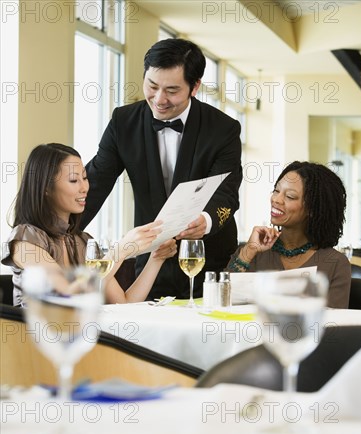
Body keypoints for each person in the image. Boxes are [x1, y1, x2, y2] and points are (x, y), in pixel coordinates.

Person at [82, 38, 243, 300]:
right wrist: (56, 234)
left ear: (195, 87)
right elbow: (95, 182)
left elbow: (227, 193)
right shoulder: (123, 122)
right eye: (152, 86)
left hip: (208, 263)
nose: (159, 99)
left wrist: (206, 221)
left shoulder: (223, 129)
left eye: (171, 90)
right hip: (151, 263)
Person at [1, 143, 176, 306]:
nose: (84, 187)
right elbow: (68, 295)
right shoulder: (24, 240)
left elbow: (124, 303)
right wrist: (120, 250)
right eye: (73, 180)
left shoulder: (83, 241)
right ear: (46, 187)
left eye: (85, 178)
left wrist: (156, 258)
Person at [226, 161, 351, 308]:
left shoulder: (336, 263)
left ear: (313, 209)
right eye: (276, 191)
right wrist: (248, 251)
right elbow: (221, 300)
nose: (276, 199)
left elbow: (334, 325)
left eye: (290, 196)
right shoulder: (254, 251)